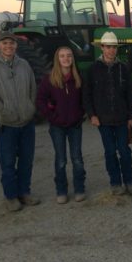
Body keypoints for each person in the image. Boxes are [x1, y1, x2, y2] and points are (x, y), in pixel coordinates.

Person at [0, 30, 40, 212]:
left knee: (26, 160)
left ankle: (24, 192)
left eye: (12, 43)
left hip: (26, 121)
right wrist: (2, 110)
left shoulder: (24, 64)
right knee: (7, 162)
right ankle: (11, 197)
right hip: (6, 124)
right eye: (5, 43)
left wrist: (30, 107)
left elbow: (33, 87)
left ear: (16, 45)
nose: (9, 46)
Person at [83, 31, 132, 196]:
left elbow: (130, 93)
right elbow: (87, 94)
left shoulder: (123, 68)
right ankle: (115, 183)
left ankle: (129, 181)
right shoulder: (92, 69)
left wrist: (131, 116)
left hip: (122, 119)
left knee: (125, 151)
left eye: (114, 47)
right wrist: (92, 115)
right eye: (108, 47)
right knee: (110, 152)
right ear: (102, 48)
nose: (111, 50)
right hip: (103, 120)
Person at [37, 47, 86, 204]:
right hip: (57, 126)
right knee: (61, 160)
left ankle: (79, 188)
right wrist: (52, 117)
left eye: (69, 56)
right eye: (62, 56)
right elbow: (40, 101)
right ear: (57, 59)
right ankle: (61, 190)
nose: (66, 59)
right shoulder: (49, 79)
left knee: (77, 158)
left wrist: (80, 114)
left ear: (72, 58)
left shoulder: (78, 78)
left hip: (75, 125)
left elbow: (85, 99)